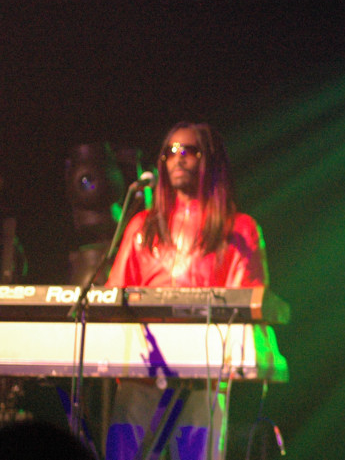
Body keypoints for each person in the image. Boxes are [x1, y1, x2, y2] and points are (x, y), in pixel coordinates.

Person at [104, 121, 268, 460]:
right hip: (142, 370)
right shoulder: (141, 226)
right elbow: (112, 296)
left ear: (210, 160)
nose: (178, 158)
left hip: (205, 374)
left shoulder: (239, 228)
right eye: (170, 152)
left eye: (189, 151)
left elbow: (247, 303)